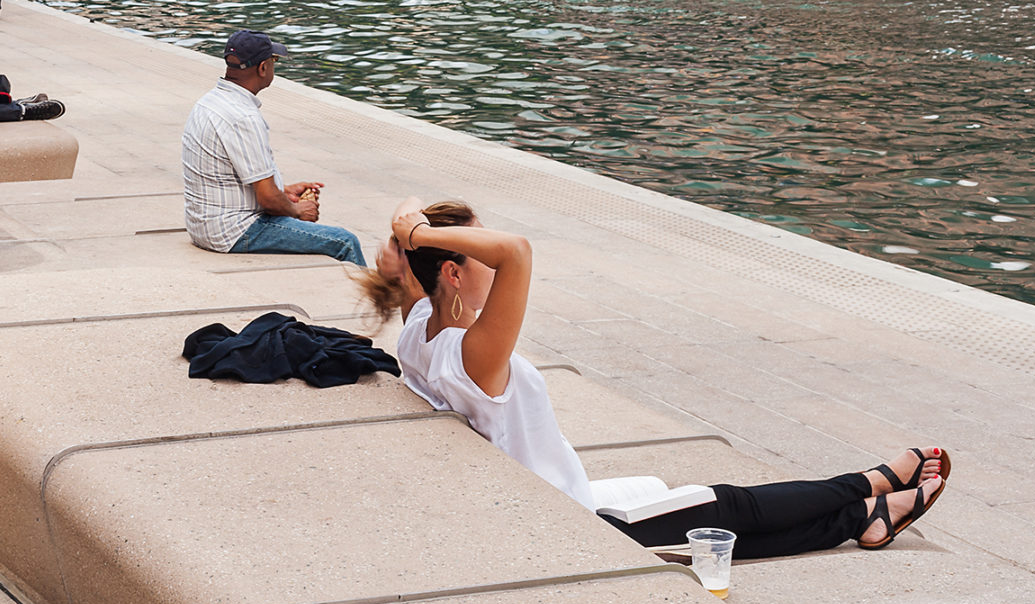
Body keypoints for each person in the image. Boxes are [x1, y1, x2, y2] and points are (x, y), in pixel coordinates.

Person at [361, 198, 950, 556]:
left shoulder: (419, 325)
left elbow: (419, 264)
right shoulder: (473, 355)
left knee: (685, 506)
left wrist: (414, 238)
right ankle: (865, 490)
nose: (492, 258)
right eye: (476, 253)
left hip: (556, 487)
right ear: (453, 272)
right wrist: (416, 232)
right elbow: (516, 250)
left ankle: (863, 518)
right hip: (566, 512)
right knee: (728, 508)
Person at [181, 29, 363, 265]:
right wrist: (297, 211)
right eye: (274, 61)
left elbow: (240, 179)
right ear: (263, 67)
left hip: (204, 224)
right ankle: (378, 303)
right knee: (345, 242)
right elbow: (267, 199)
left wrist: (283, 191)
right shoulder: (243, 116)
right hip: (233, 230)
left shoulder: (209, 102)